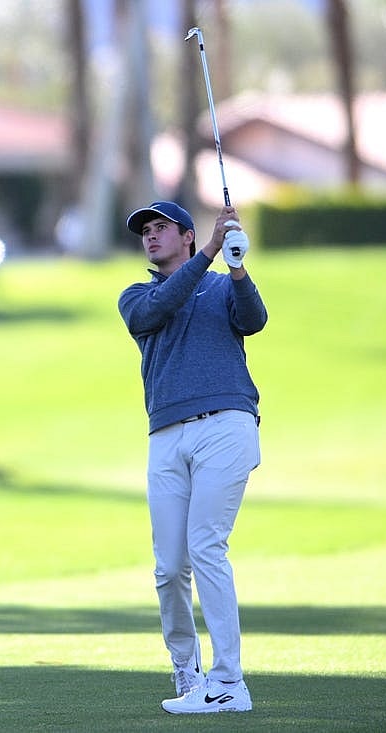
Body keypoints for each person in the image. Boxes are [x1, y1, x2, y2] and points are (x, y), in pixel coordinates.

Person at [117, 201, 267, 715]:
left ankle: (230, 683)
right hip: (166, 435)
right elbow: (156, 312)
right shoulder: (137, 295)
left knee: (206, 546)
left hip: (226, 423)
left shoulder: (222, 284)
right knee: (169, 566)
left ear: (184, 235)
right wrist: (208, 253)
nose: (151, 237)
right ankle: (189, 674)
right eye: (145, 232)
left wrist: (238, 265)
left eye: (161, 229)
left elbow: (254, 319)